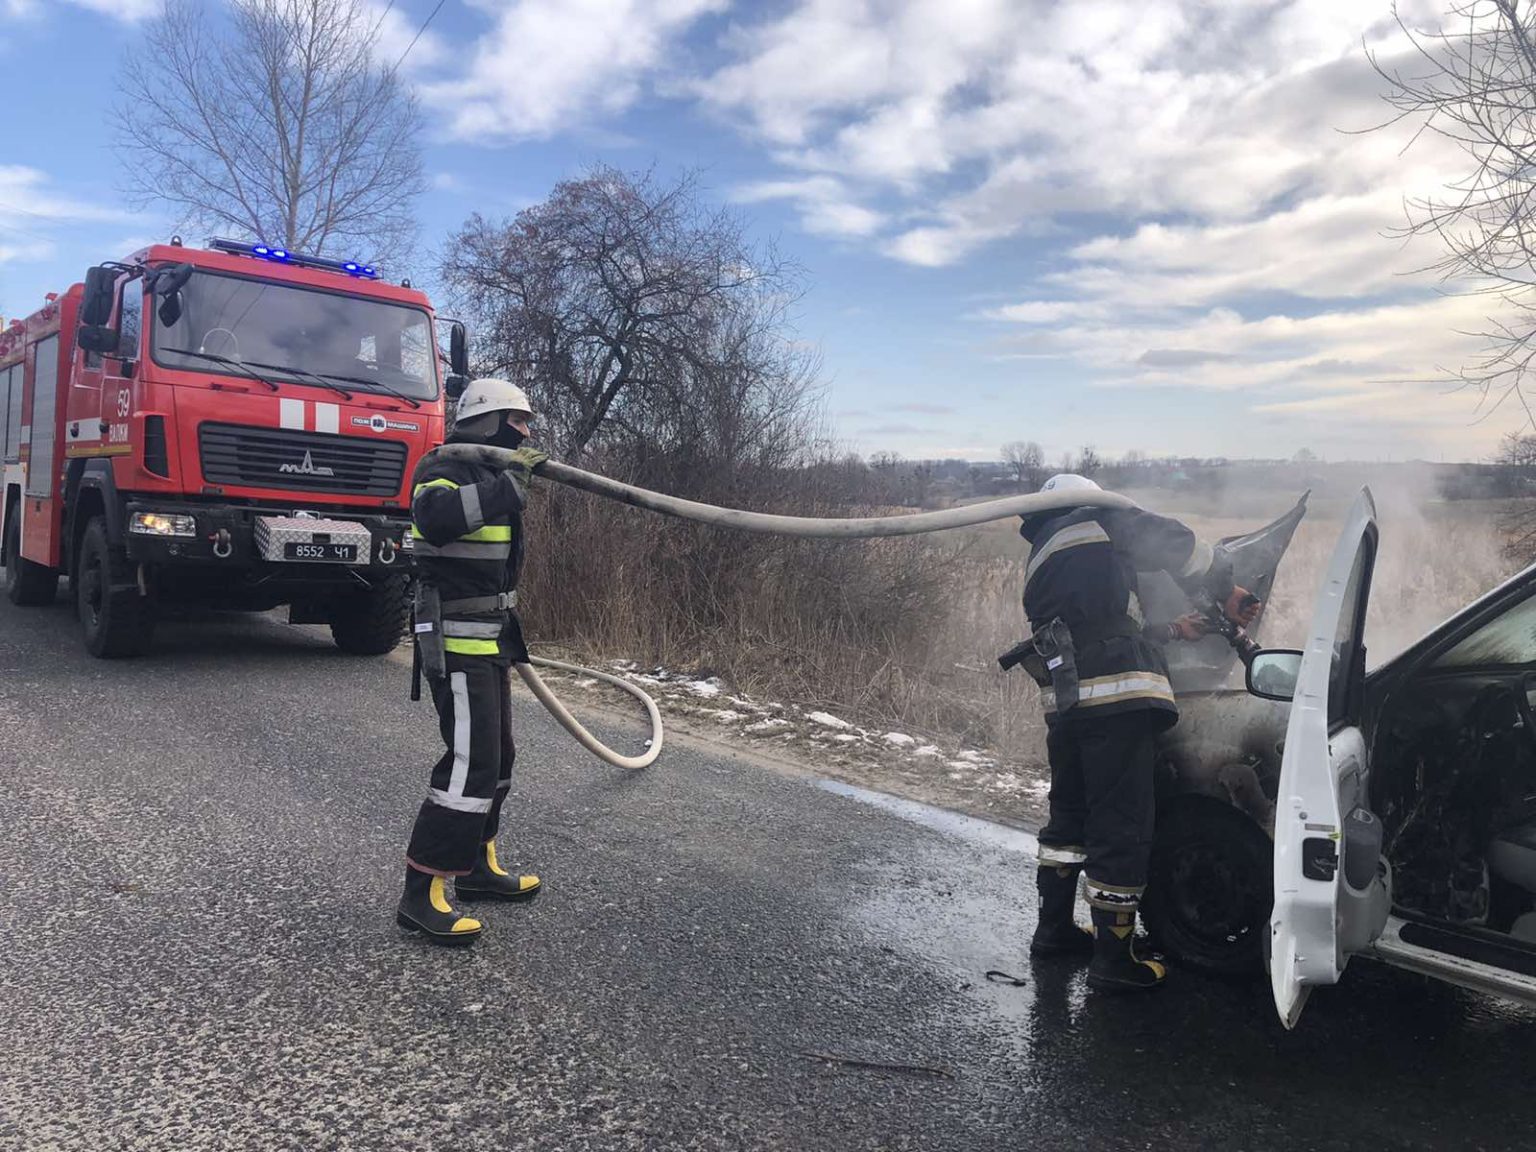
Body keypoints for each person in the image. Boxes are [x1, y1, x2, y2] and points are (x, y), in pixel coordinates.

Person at [1018, 474, 1260, 992]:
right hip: (1116, 703)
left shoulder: (1043, 553)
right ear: (1090, 496)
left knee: (1069, 821)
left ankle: (1053, 929)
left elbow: (1097, 627)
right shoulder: (1096, 518)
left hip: (1066, 707)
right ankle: (1114, 961)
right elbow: (1175, 543)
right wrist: (1226, 584)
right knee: (1121, 825)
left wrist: (1175, 630)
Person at [395, 378, 549, 945]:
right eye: (520, 422)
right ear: (491, 421)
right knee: (469, 763)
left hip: (491, 639)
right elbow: (434, 519)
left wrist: (507, 481)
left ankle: (477, 868)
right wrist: (508, 486)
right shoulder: (446, 469)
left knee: (498, 756)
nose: (526, 434)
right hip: (458, 642)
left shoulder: (488, 474)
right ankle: (421, 893)